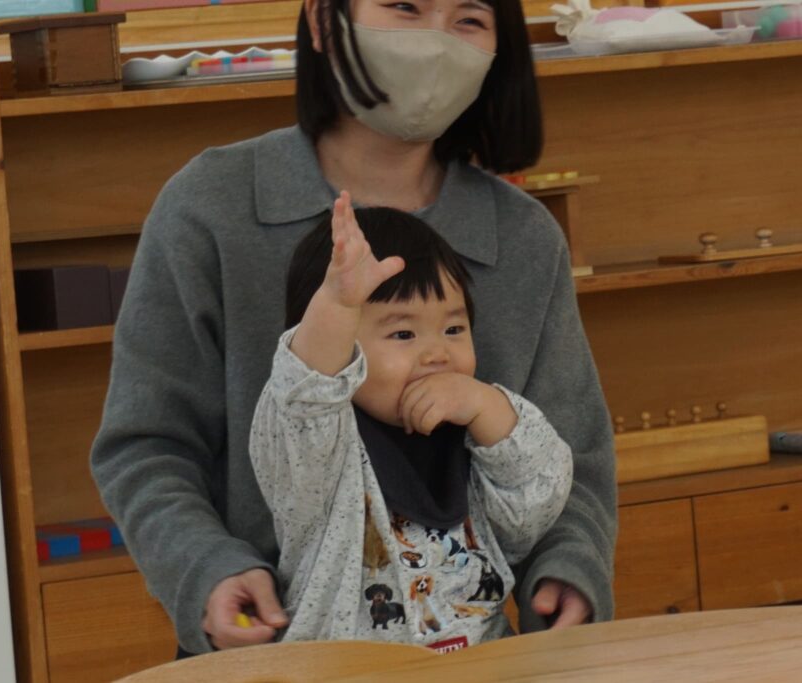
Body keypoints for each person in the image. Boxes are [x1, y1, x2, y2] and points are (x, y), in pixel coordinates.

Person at [91, 0, 617, 657]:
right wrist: (206, 567)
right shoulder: (210, 206)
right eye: (404, 7)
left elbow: (571, 456)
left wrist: (569, 566)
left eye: (468, 20)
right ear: (321, 21)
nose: (434, 42)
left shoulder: (525, 237)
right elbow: (146, 444)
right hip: (267, 658)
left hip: (474, 655)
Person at [250, 194, 573, 649]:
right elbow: (306, 395)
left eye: (454, 329)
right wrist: (337, 304)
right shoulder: (317, 451)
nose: (437, 353)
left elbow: (533, 509)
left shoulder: (471, 435)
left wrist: (487, 405)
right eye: (403, 333)